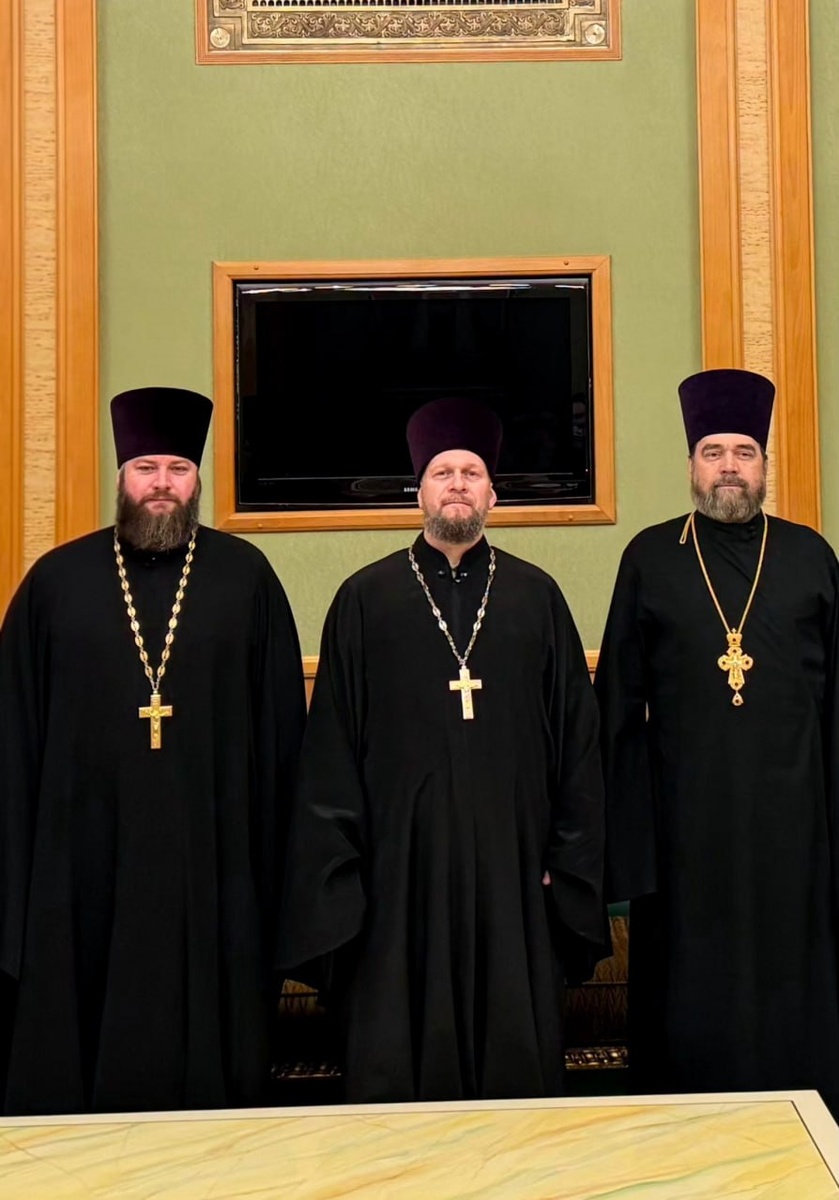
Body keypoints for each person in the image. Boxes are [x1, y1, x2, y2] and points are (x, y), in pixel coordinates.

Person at [278, 396, 607, 1103]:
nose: (457, 484)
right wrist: (348, 870)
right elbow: (330, 751)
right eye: (441, 472)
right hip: (399, 874)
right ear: (418, 491)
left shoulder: (536, 598)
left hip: (515, 868)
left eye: (471, 473)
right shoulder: (363, 600)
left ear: (493, 494)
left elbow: (578, 745)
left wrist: (565, 858)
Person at [0, 387, 307, 1115]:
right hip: (80, 858)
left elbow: (282, 742)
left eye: (177, 468)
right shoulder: (56, 583)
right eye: (145, 467)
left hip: (215, 854)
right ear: (121, 477)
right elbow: (14, 739)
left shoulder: (246, 578)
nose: (161, 483)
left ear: (197, 480)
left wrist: (279, 871)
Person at [595, 368, 839, 1110]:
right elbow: (616, 709)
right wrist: (624, 845)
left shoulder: (810, 557)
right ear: (691, 465)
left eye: (743, 452)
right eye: (713, 452)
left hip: (796, 830)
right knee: (689, 996)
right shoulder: (649, 557)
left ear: (764, 465)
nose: (728, 466)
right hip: (684, 828)